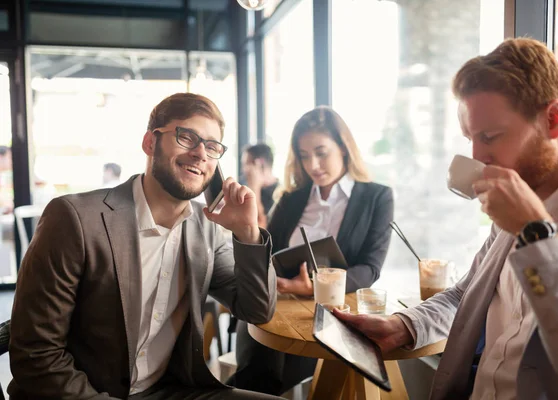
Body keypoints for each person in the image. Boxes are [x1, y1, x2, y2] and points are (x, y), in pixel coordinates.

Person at [335, 38, 558, 399]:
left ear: (553, 120)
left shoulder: (538, 214)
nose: (477, 157)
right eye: (470, 139)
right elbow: (467, 293)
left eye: (489, 136)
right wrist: (404, 325)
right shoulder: (518, 193)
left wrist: (535, 235)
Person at [8, 92, 282, 400]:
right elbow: (36, 356)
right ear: (150, 143)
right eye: (186, 137)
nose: (200, 154)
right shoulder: (74, 219)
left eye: (212, 146)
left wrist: (247, 232)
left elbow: (258, 310)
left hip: (169, 390)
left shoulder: (207, 230)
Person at [228, 106, 394, 395]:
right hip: (276, 302)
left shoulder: (376, 197)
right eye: (304, 156)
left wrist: (315, 287)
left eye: (321, 152)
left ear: (344, 148)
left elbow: (370, 268)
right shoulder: (292, 198)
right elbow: (267, 249)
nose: (313, 165)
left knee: (264, 379)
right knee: (259, 371)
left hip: (331, 312)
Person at [241, 143, 279, 228]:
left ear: (259, 164)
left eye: (246, 164)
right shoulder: (248, 189)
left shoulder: (280, 194)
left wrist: (255, 189)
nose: (244, 170)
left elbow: (261, 228)